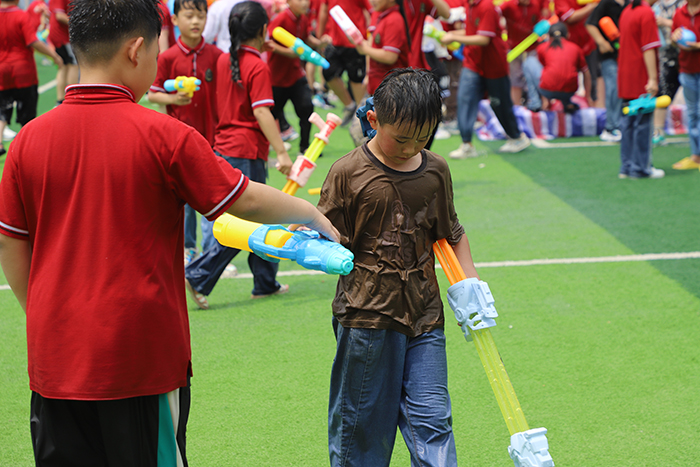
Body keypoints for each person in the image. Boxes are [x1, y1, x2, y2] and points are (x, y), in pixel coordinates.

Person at [0, 0, 339, 464]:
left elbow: (9, 240)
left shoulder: (28, 141)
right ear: (137, 50)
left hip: (55, 362)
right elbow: (245, 198)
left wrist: (44, 316)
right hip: (141, 363)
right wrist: (312, 212)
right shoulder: (163, 135)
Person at [318, 68, 478, 467]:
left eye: (422, 139)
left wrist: (471, 283)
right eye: (401, 138)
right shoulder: (348, 173)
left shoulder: (435, 170)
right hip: (367, 320)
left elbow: (451, 231)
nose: (411, 149)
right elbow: (324, 232)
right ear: (374, 120)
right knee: (361, 431)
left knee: (433, 421)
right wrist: (305, 240)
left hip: (425, 317)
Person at [184, 0, 295, 310]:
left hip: (225, 146)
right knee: (252, 223)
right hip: (247, 151)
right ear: (262, 29)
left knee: (255, 220)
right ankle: (198, 274)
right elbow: (262, 112)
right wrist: (282, 151)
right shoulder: (257, 65)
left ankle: (264, 282)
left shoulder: (223, 60)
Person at [149, 0, 223, 263]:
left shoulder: (216, 55)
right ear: (176, 20)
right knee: (185, 202)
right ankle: (189, 250)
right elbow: (152, 94)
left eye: (200, 16)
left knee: (214, 199)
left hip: (213, 139)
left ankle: (212, 255)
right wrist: (173, 100)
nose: (195, 22)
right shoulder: (167, 57)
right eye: (189, 16)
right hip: (179, 142)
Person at [441, 0, 531, 159]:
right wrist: (451, 35)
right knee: (465, 98)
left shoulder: (486, 6)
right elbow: (471, 32)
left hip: (494, 65)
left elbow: (483, 39)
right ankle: (466, 143)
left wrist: (453, 37)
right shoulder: (470, 5)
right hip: (473, 62)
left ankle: (516, 137)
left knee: (500, 103)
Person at [0, 0, 62, 157]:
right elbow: (33, 41)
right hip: (23, 72)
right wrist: (54, 56)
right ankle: (26, 149)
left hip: (1, 71)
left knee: (2, 110)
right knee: (27, 113)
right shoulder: (21, 15)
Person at [617, 0, 664, 178]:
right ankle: (640, 167)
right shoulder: (645, 12)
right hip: (639, 75)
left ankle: (627, 166)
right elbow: (648, 48)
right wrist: (652, 78)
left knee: (628, 123)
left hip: (625, 74)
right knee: (642, 124)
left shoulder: (627, 11)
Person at [268, 0, 322, 155]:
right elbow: (269, 43)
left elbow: (306, 39)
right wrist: (289, 52)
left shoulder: (303, 18)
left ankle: (304, 147)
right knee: (270, 114)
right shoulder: (281, 18)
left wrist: (320, 43)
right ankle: (265, 149)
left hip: (296, 74)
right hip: (277, 78)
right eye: (299, 0)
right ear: (288, 2)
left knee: (307, 108)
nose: (304, 3)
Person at [316, 0, 372, 125]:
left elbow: (370, 11)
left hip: (355, 43)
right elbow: (324, 10)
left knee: (356, 80)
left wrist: (368, 37)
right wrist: (321, 35)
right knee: (328, 72)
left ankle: (361, 118)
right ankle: (350, 106)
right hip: (334, 41)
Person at [586, 0, 628, 142]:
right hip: (609, 55)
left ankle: (622, 124)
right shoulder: (606, 3)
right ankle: (611, 127)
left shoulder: (630, 3)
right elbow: (591, 24)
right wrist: (602, 42)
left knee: (624, 90)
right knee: (613, 88)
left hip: (626, 54)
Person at [498, 0, 546, 112]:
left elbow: (544, 17)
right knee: (515, 79)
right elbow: (495, 12)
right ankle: (516, 108)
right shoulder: (509, 5)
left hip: (533, 47)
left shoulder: (536, 3)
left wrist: (542, 27)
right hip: (514, 48)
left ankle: (542, 104)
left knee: (537, 77)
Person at [355, 0, 410, 96]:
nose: (372, 1)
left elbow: (390, 56)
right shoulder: (381, 15)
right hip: (379, 85)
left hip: (390, 89)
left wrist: (365, 49)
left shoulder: (394, 20)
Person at [535, 22, 591, 113]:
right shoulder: (576, 48)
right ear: (568, 35)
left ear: (549, 36)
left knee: (531, 63)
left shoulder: (542, 48)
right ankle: (567, 103)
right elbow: (586, 72)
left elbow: (543, 66)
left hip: (547, 90)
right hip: (569, 91)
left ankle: (541, 102)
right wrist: (588, 96)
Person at [670, 0, 700, 169]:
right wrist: (674, 39)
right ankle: (696, 156)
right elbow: (674, 39)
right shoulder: (679, 13)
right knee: (693, 113)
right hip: (687, 69)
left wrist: (697, 46)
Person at [652, 0, 685, 147]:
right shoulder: (656, 6)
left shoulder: (685, 4)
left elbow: (688, 28)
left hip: (688, 53)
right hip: (665, 54)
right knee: (664, 93)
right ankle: (657, 132)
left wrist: (666, 22)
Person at [48, 0, 79, 104]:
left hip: (62, 36)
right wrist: (81, 23)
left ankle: (61, 100)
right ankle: (73, 98)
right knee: (73, 65)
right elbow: (60, 16)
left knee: (64, 66)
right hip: (63, 37)